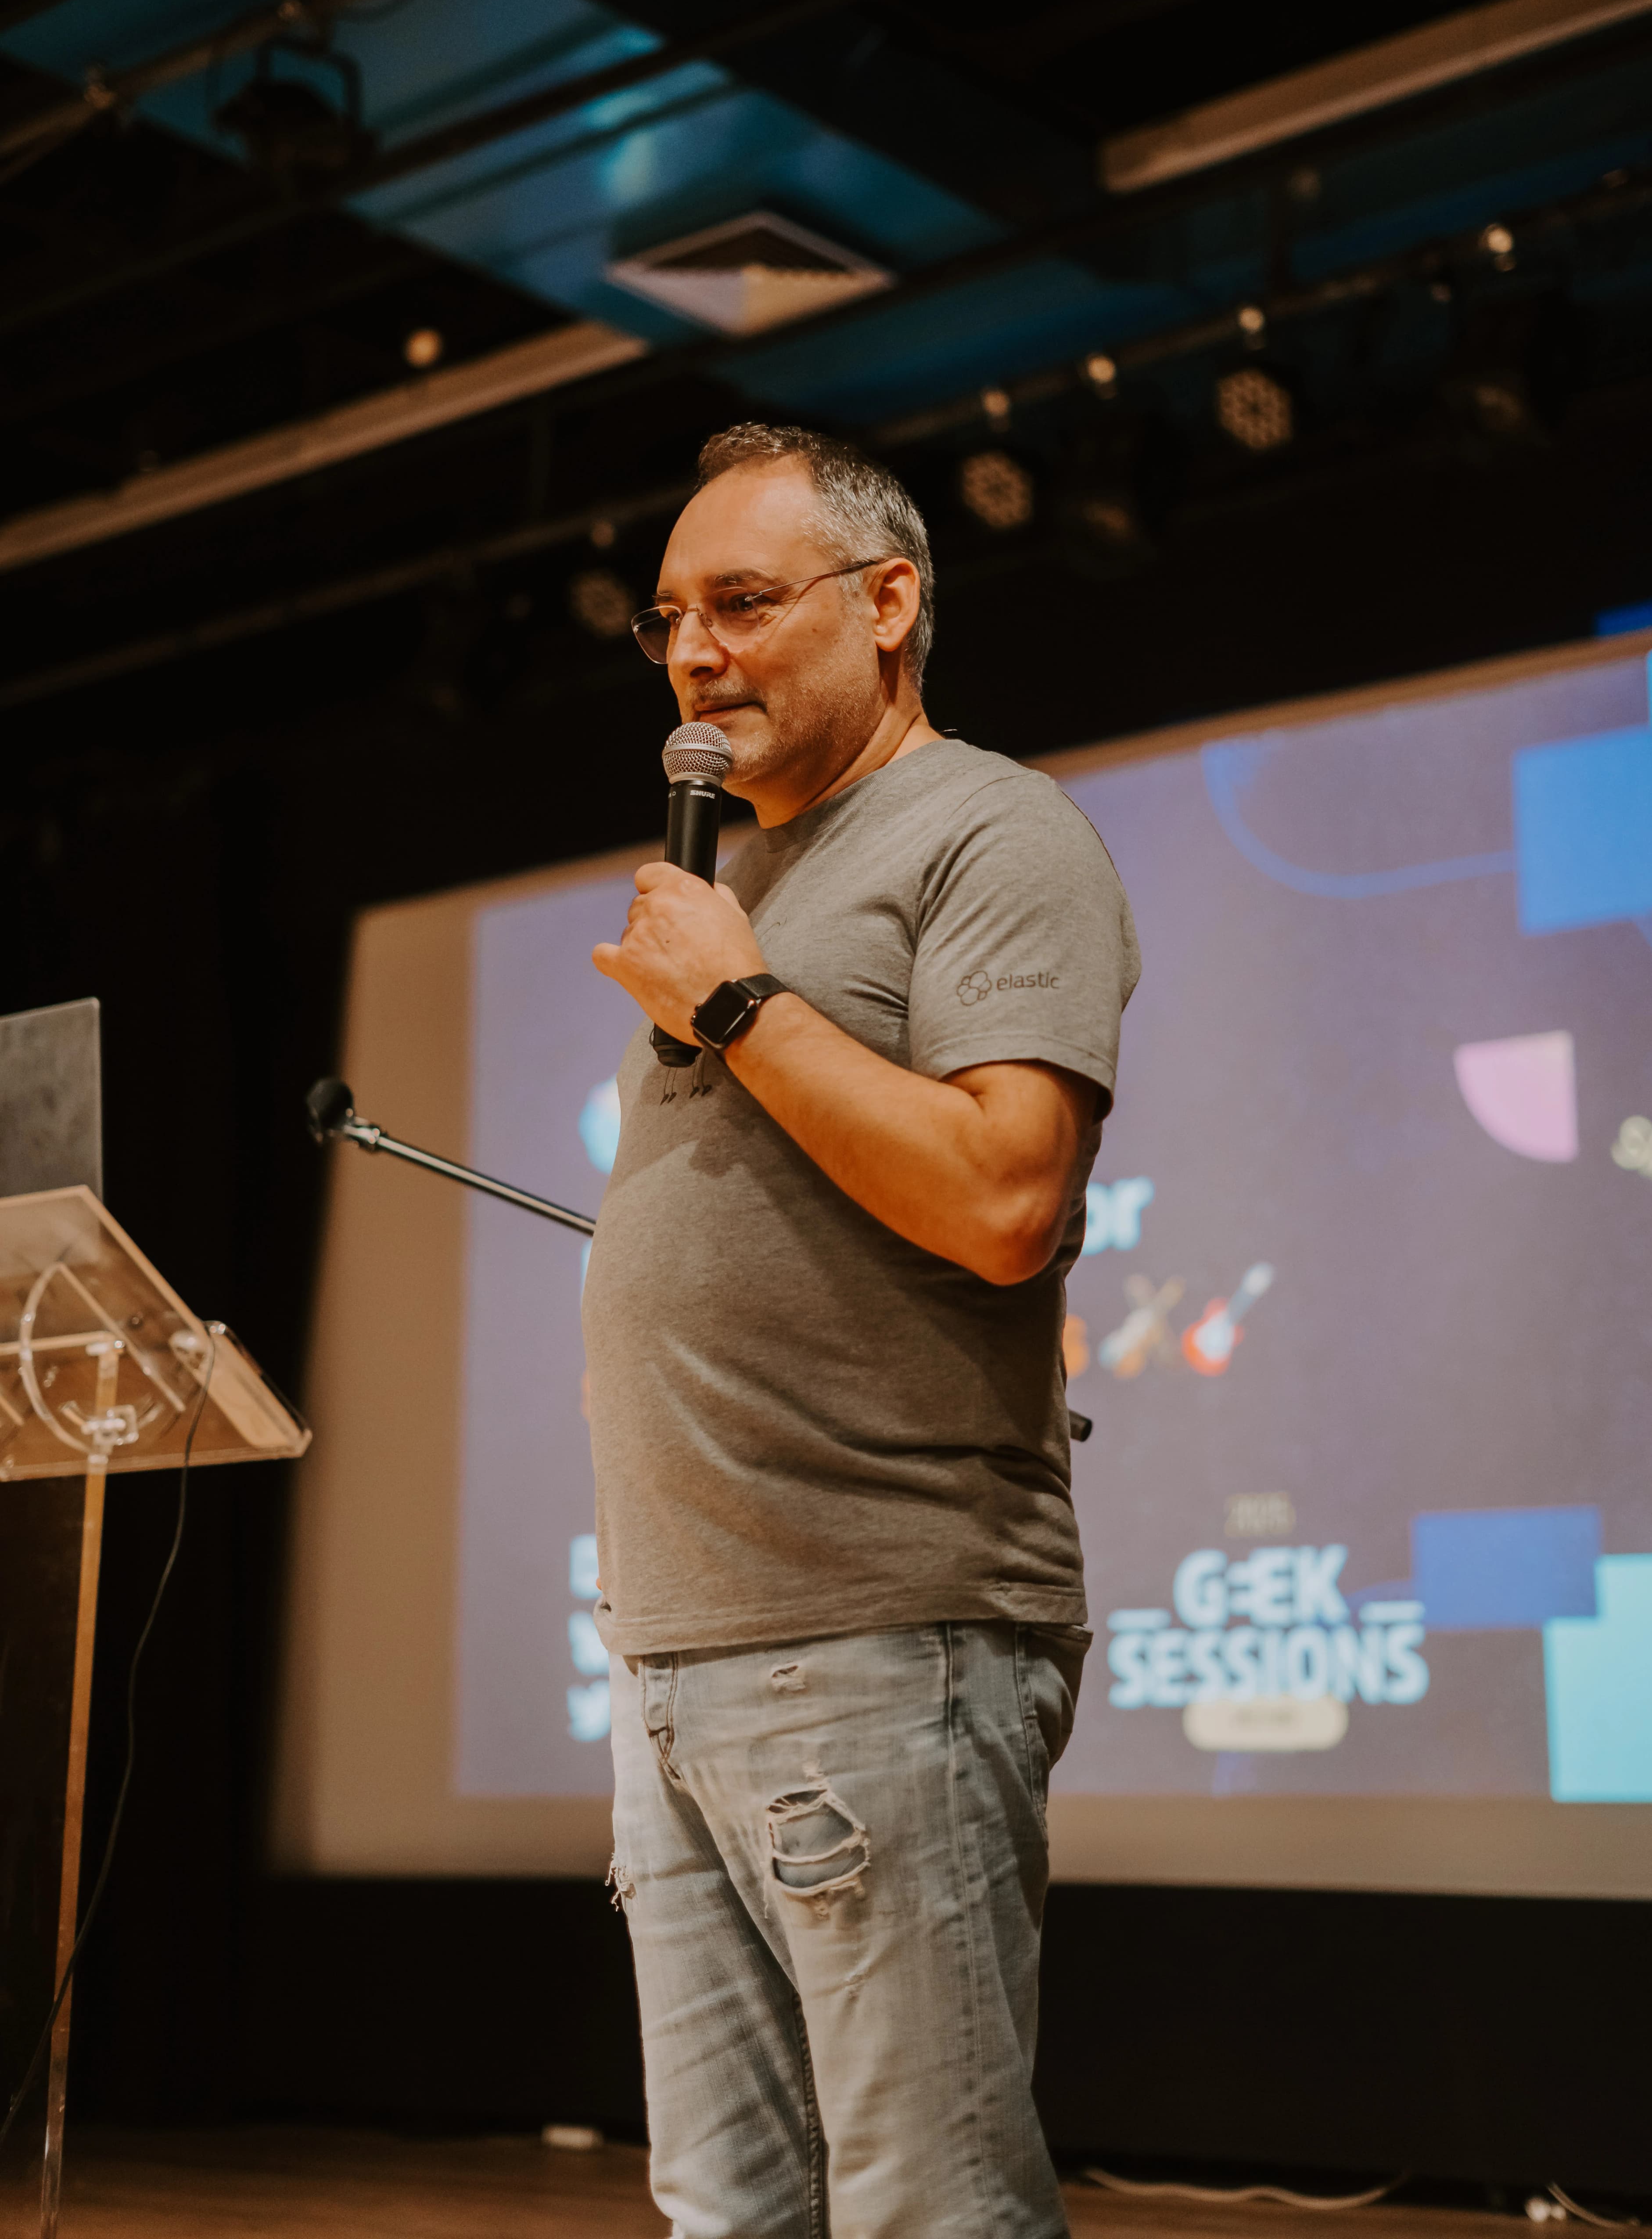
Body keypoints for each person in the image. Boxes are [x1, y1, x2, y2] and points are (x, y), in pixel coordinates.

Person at [584, 422, 1139, 2239]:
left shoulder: (992, 831)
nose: (693, 654)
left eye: (743, 603)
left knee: (930, 2214)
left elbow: (1004, 1200)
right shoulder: (738, 884)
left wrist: (737, 999)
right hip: (685, 1657)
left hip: (876, 1638)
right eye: (670, 617)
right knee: (729, 2213)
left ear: (890, 603)